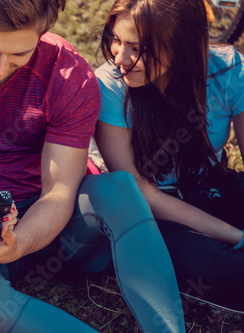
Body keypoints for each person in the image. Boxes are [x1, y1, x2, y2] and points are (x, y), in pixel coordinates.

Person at [0, 0, 187, 332]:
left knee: (119, 189)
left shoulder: (68, 72)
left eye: (18, 54)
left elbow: (60, 193)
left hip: (59, 226)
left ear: (43, 32)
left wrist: (19, 242)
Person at [94, 0, 244, 311]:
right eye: (116, 40)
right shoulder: (110, 85)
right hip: (157, 210)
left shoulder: (228, 69)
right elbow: (136, 186)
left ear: (182, 44)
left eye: (137, 48)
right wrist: (233, 235)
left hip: (212, 186)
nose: (120, 58)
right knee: (225, 272)